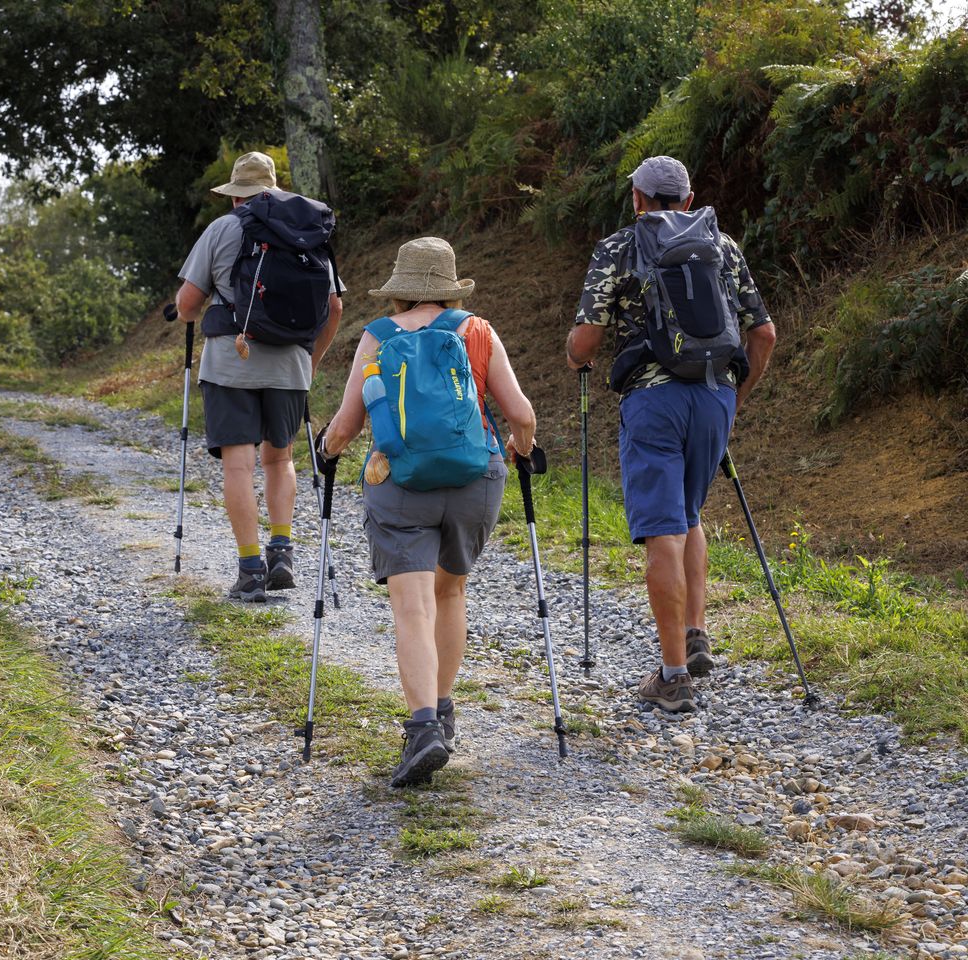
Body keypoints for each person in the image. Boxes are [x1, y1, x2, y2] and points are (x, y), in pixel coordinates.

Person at [317, 237, 536, 788]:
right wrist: (523, 449)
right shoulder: (478, 331)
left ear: (400, 289)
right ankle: (442, 708)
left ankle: (422, 730)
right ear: (451, 286)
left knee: (412, 606)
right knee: (451, 592)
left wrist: (326, 450)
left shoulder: (378, 335)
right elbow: (521, 415)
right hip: (474, 479)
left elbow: (347, 425)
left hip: (400, 481)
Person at [565, 155, 777, 712]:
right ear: (688, 199)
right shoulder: (722, 246)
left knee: (663, 530)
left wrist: (574, 355)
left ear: (637, 198)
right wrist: (732, 401)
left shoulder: (619, 247)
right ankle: (694, 631)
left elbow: (586, 341)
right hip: (714, 396)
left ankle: (673, 677)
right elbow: (764, 334)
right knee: (688, 514)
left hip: (653, 400)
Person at [174, 151, 343, 602]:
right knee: (279, 460)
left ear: (236, 195)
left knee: (238, 465)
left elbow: (188, 305)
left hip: (230, 363)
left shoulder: (222, 229)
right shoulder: (305, 229)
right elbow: (334, 307)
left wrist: (189, 308)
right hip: (290, 368)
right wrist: (310, 362)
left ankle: (250, 570)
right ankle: (282, 551)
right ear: (272, 189)